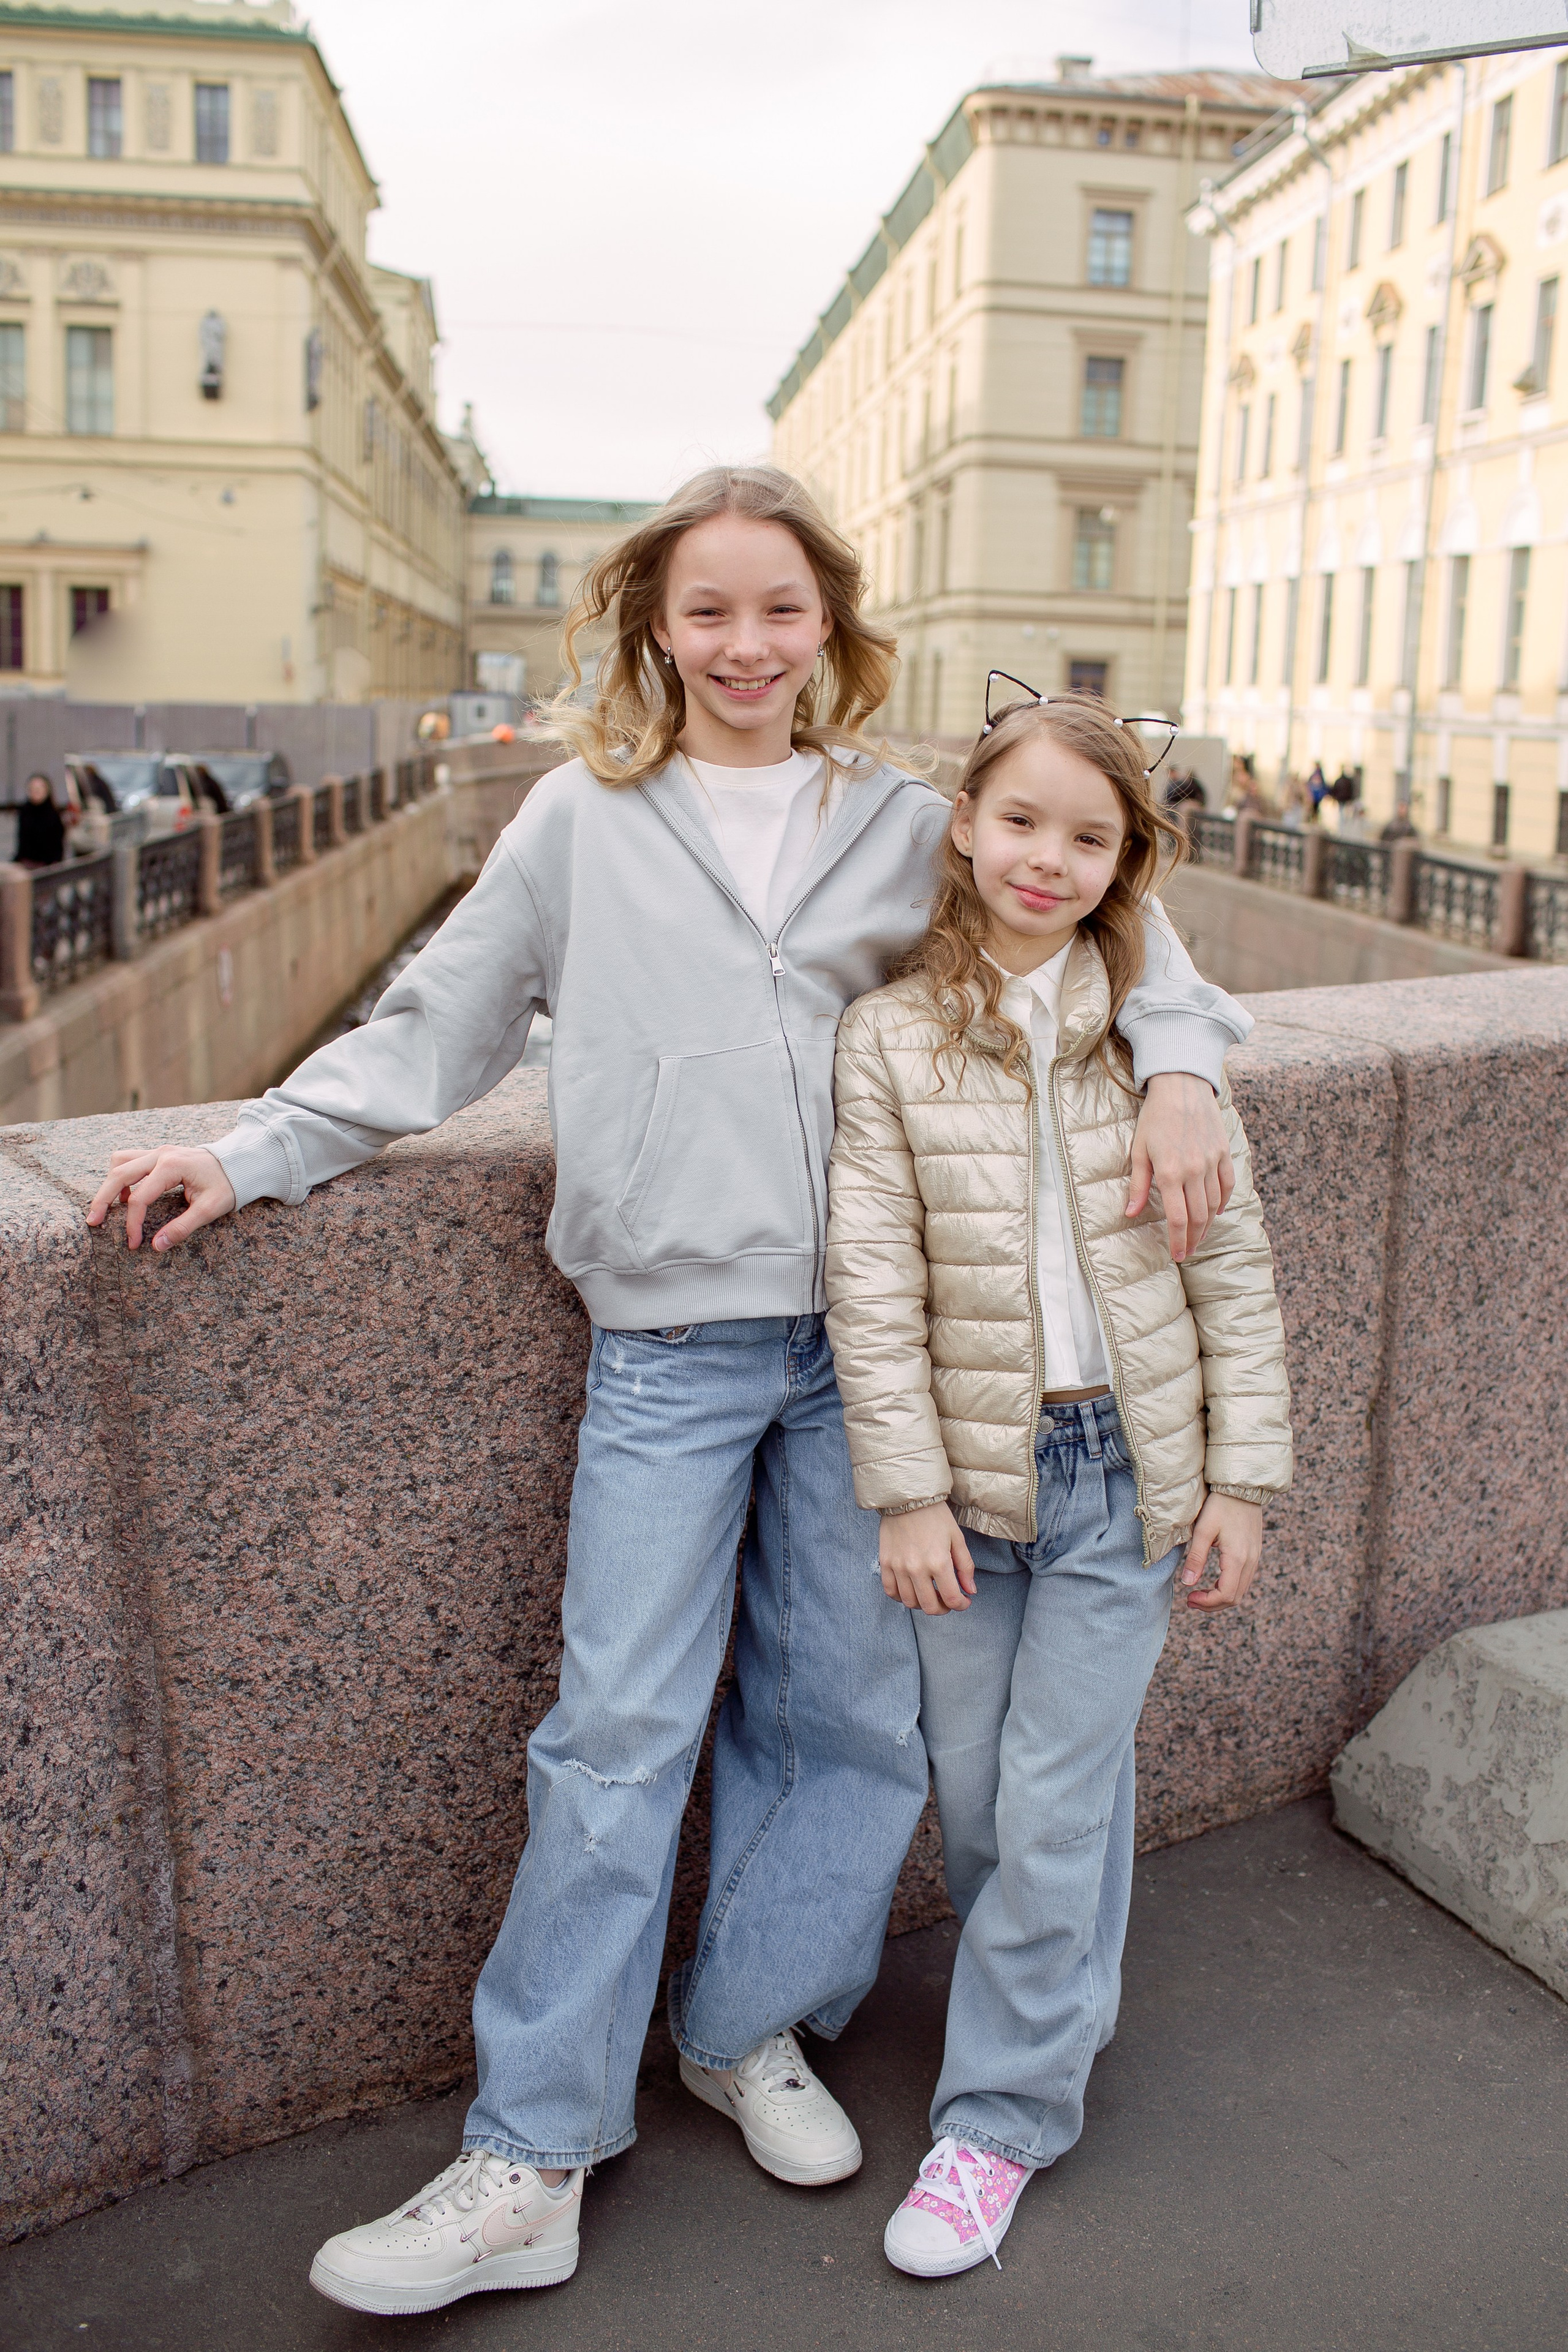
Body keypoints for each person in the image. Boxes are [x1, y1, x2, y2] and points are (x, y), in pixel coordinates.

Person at [85, 467, 1250, 2318]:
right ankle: (528, 2148)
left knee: (847, 1719)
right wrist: (254, 1148)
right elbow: (436, 1023)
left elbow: (1122, 926)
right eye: (705, 610)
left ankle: (744, 2024)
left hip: (883, 1360)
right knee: (615, 1727)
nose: (742, 644)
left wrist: (1182, 1069)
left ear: (830, 626)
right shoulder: (578, 818)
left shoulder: (901, 818)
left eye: (778, 607)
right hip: (673, 1345)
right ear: (652, 626)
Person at [824, 690, 1292, 2279]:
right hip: (966, 1484)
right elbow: (870, 1288)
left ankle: (1000, 2121)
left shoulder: (1167, 1051)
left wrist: (1244, 1484)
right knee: (988, 1802)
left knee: (1052, 1792)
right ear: (963, 826)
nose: (1049, 856)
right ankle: (1060, 2006)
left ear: (1129, 865)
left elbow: (1235, 1280)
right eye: (1021, 820)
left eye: (1090, 836)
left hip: (1124, 1484)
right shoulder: (888, 1037)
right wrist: (903, 1494)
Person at [15, 772, 66, 868]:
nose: (35, 792)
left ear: (47, 791)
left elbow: (57, 846)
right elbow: (22, 842)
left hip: (48, 866)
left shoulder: (54, 814)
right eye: (32, 789)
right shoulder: (25, 812)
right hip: (26, 863)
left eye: (38, 789)